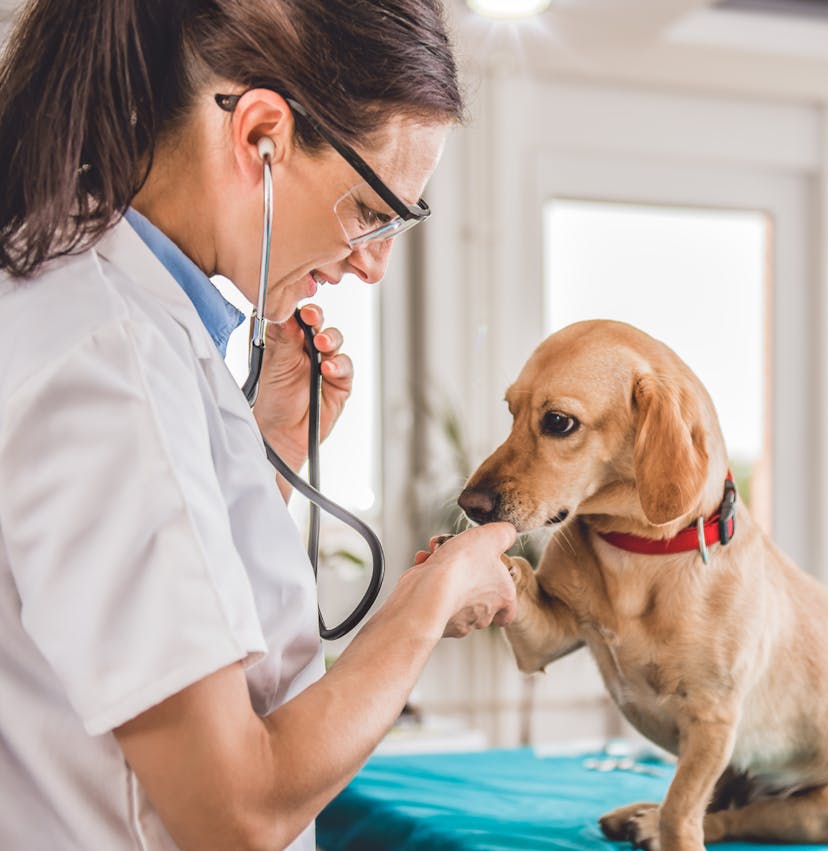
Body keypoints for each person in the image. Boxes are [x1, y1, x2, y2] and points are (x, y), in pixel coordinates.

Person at [0, 1, 517, 849]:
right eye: (371, 210)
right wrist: (428, 601)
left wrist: (268, 448)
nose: (373, 263)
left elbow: (144, 602)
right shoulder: (107, 357)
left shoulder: (107, 309)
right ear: (262, 136)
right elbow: (233, 810)